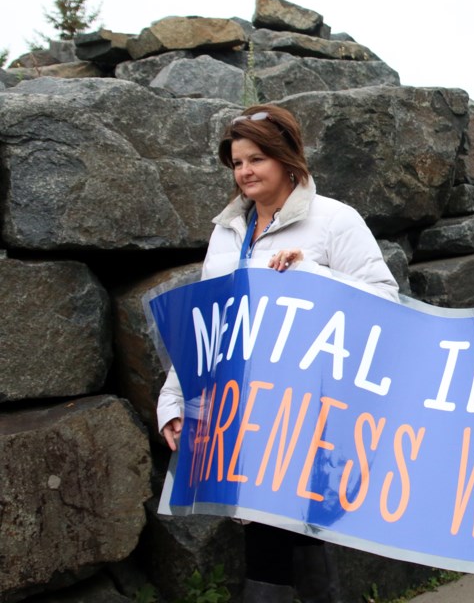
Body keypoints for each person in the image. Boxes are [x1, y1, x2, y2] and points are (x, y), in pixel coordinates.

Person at [156, 104, 399, 602]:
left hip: (314, 413)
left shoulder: (334, 221)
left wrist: (314, 275)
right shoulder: (226, 232)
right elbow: (209, 330)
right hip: (244, 414)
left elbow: (385, 302)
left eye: (256, 159)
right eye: (237, 162)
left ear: (287, 159)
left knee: (285, 528)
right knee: (279, 533)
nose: (244, 171)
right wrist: (174, 403)